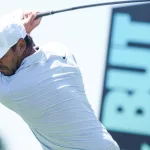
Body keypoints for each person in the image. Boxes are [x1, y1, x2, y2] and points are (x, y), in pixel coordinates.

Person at [0, 10, 120, 150]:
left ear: (21, 46)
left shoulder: (13, 90)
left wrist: (23, 29)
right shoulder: (60, 52)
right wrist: (20, 32)